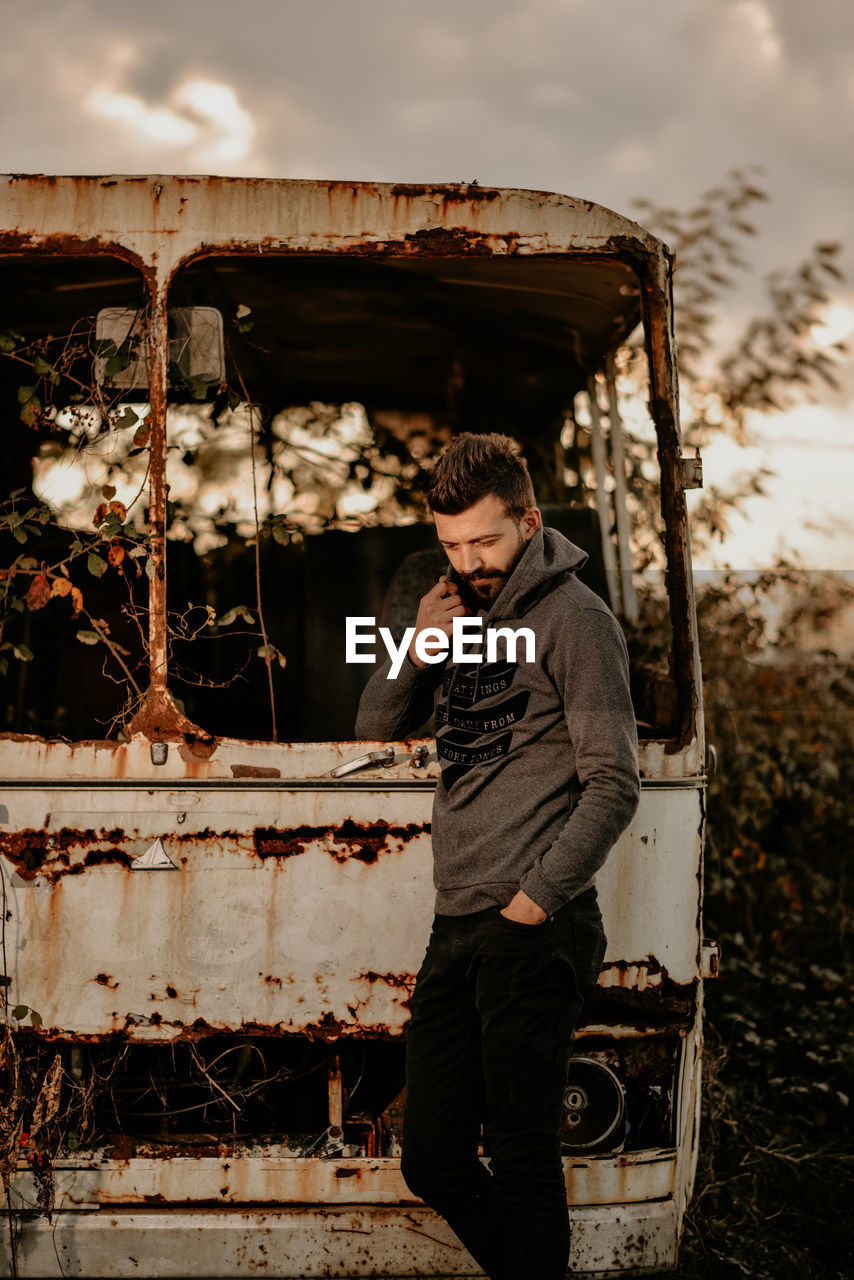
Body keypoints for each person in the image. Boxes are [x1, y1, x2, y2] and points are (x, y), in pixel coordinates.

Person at [355, 432, 640, 1280]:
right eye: (451, 547)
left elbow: (613, 783)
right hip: (457, 921)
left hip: (531, 925)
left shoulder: (577, 621)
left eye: (485, 541)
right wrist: (420, 642)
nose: (471, 563)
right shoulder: (456, 615)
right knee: (431, 1157)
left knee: (522, 1159)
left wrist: (535, 900)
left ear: (529, 520)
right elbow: (373, 730)